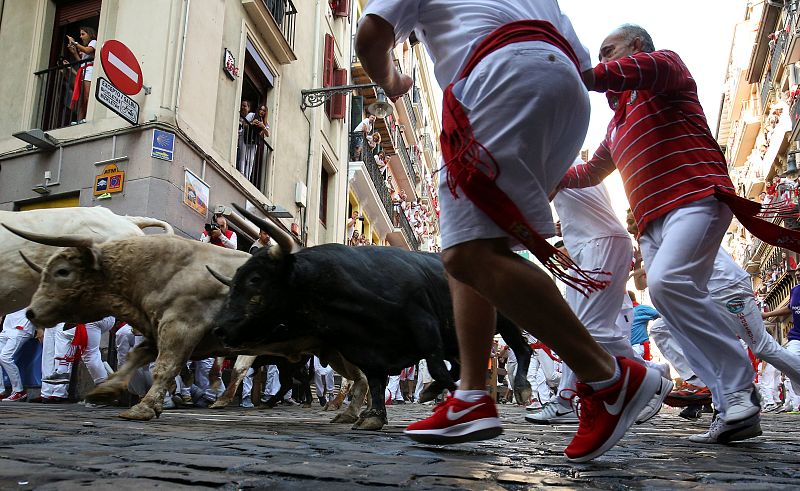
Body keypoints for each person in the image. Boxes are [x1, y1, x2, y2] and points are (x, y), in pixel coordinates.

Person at [357, 1, 661, 462]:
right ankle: (472, 395)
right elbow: (582, 64)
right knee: (470, 245)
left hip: (499, 78)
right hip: (564, 92)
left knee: (468, 255)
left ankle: (610, 377)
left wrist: (394, 80)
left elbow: (370, 36)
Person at [557, 23, 764, 444]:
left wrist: (570, 73)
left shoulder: (666, 69)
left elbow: (621, 73)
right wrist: (538, 173)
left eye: (608, 50)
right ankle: (731, 407)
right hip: (652, 224)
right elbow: (589, 173)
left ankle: (741, 389)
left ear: (636, 46)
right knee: (669, 305)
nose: (602, 60)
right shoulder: (615, 127)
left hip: (696, 196)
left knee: (669, 284)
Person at [0, 309, 35, 402]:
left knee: (5, 357)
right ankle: (0, 391)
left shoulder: (29, 295)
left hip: (22, 328)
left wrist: (39, 328)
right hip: (7, 328)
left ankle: (19, 391)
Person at [66, 26, 97, 123]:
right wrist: (74, 52)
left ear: (90, 34)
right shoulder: (85, 48)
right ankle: (79, 121)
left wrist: (75, 43)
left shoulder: (94, 42)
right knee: (82, 98)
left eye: (83, 34)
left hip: (89, 71)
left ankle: (87, 118)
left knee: (87, 95)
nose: (81, 36)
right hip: (84, 71)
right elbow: (82, 62)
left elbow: (87, 51)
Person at [629, 292, 660, 361]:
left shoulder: (640, 309)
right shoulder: (624, 312)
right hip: (633, 347)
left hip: (638, 346)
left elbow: (661, 314)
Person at [236, 100, 257, 181]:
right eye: (241, 105)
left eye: (244, 106)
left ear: (249, 108)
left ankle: (246, 177)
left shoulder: (251, 116)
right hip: (239, 141)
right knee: (241, 158)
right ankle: (241, 173)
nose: (242, 107)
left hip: (245, 140)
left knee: (248, 159)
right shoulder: (238, 117)